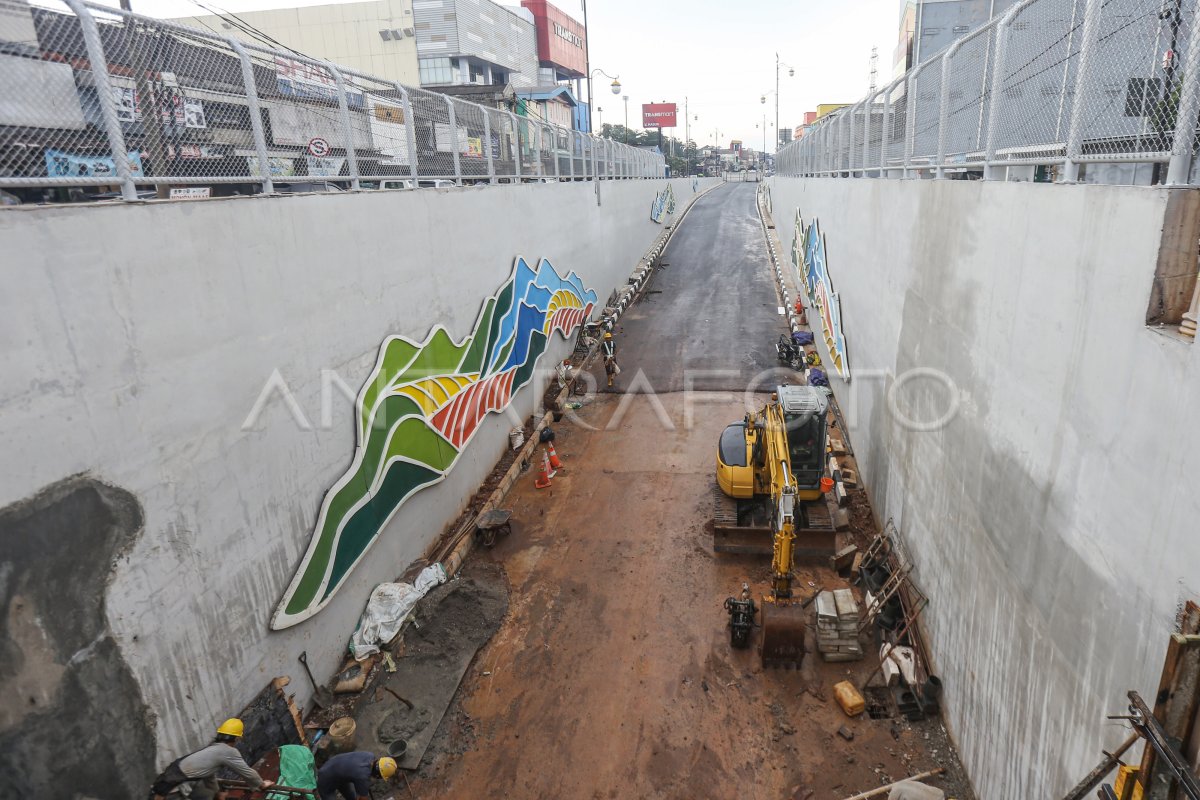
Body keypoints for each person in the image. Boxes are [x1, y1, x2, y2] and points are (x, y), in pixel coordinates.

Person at [147, 718, 274, 800]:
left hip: (164, 786)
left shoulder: (211, 749)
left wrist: (218, 794)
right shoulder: (228, 751)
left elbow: (209, 775)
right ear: (236, 739)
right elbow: (247, 772)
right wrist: (262, 785)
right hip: (174, 790)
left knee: (207, 795)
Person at [317, 752, 397, 800]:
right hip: (325, 778)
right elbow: (363, 798)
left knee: (352, 797)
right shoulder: (362, 777)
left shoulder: (370, 755)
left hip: (337, 769)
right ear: (378, 774)